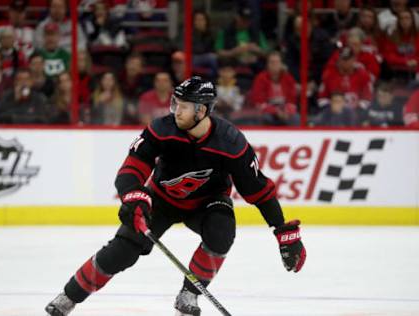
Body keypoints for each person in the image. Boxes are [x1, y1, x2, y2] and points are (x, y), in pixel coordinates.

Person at [45, 76, 307, 316]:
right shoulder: (162, 128)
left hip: (207, 203)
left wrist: (282, 230)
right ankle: (68, 297)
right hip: (161, 200)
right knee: (121, 251)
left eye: (183, 106)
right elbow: (132, 167)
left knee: (221, 232)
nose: (175, 110)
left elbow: (259, 191)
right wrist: (134, 197)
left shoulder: (231, 143)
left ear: (201, 111)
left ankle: (188, 295)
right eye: (175, 103)